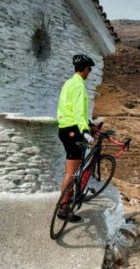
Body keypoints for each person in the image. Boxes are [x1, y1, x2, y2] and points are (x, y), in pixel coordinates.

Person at [55, 54, 96, 222]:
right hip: (74, 130)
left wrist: (87, 122)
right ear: (85, 69)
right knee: (72, 173)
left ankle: (66, 201)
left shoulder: (68, 82)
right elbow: (79, 112)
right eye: (89, 69)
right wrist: (85, 130)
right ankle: (64, 209)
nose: (90, 72)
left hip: (64, 128)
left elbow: (68, 107)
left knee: (71, 170)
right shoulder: (79, 85)